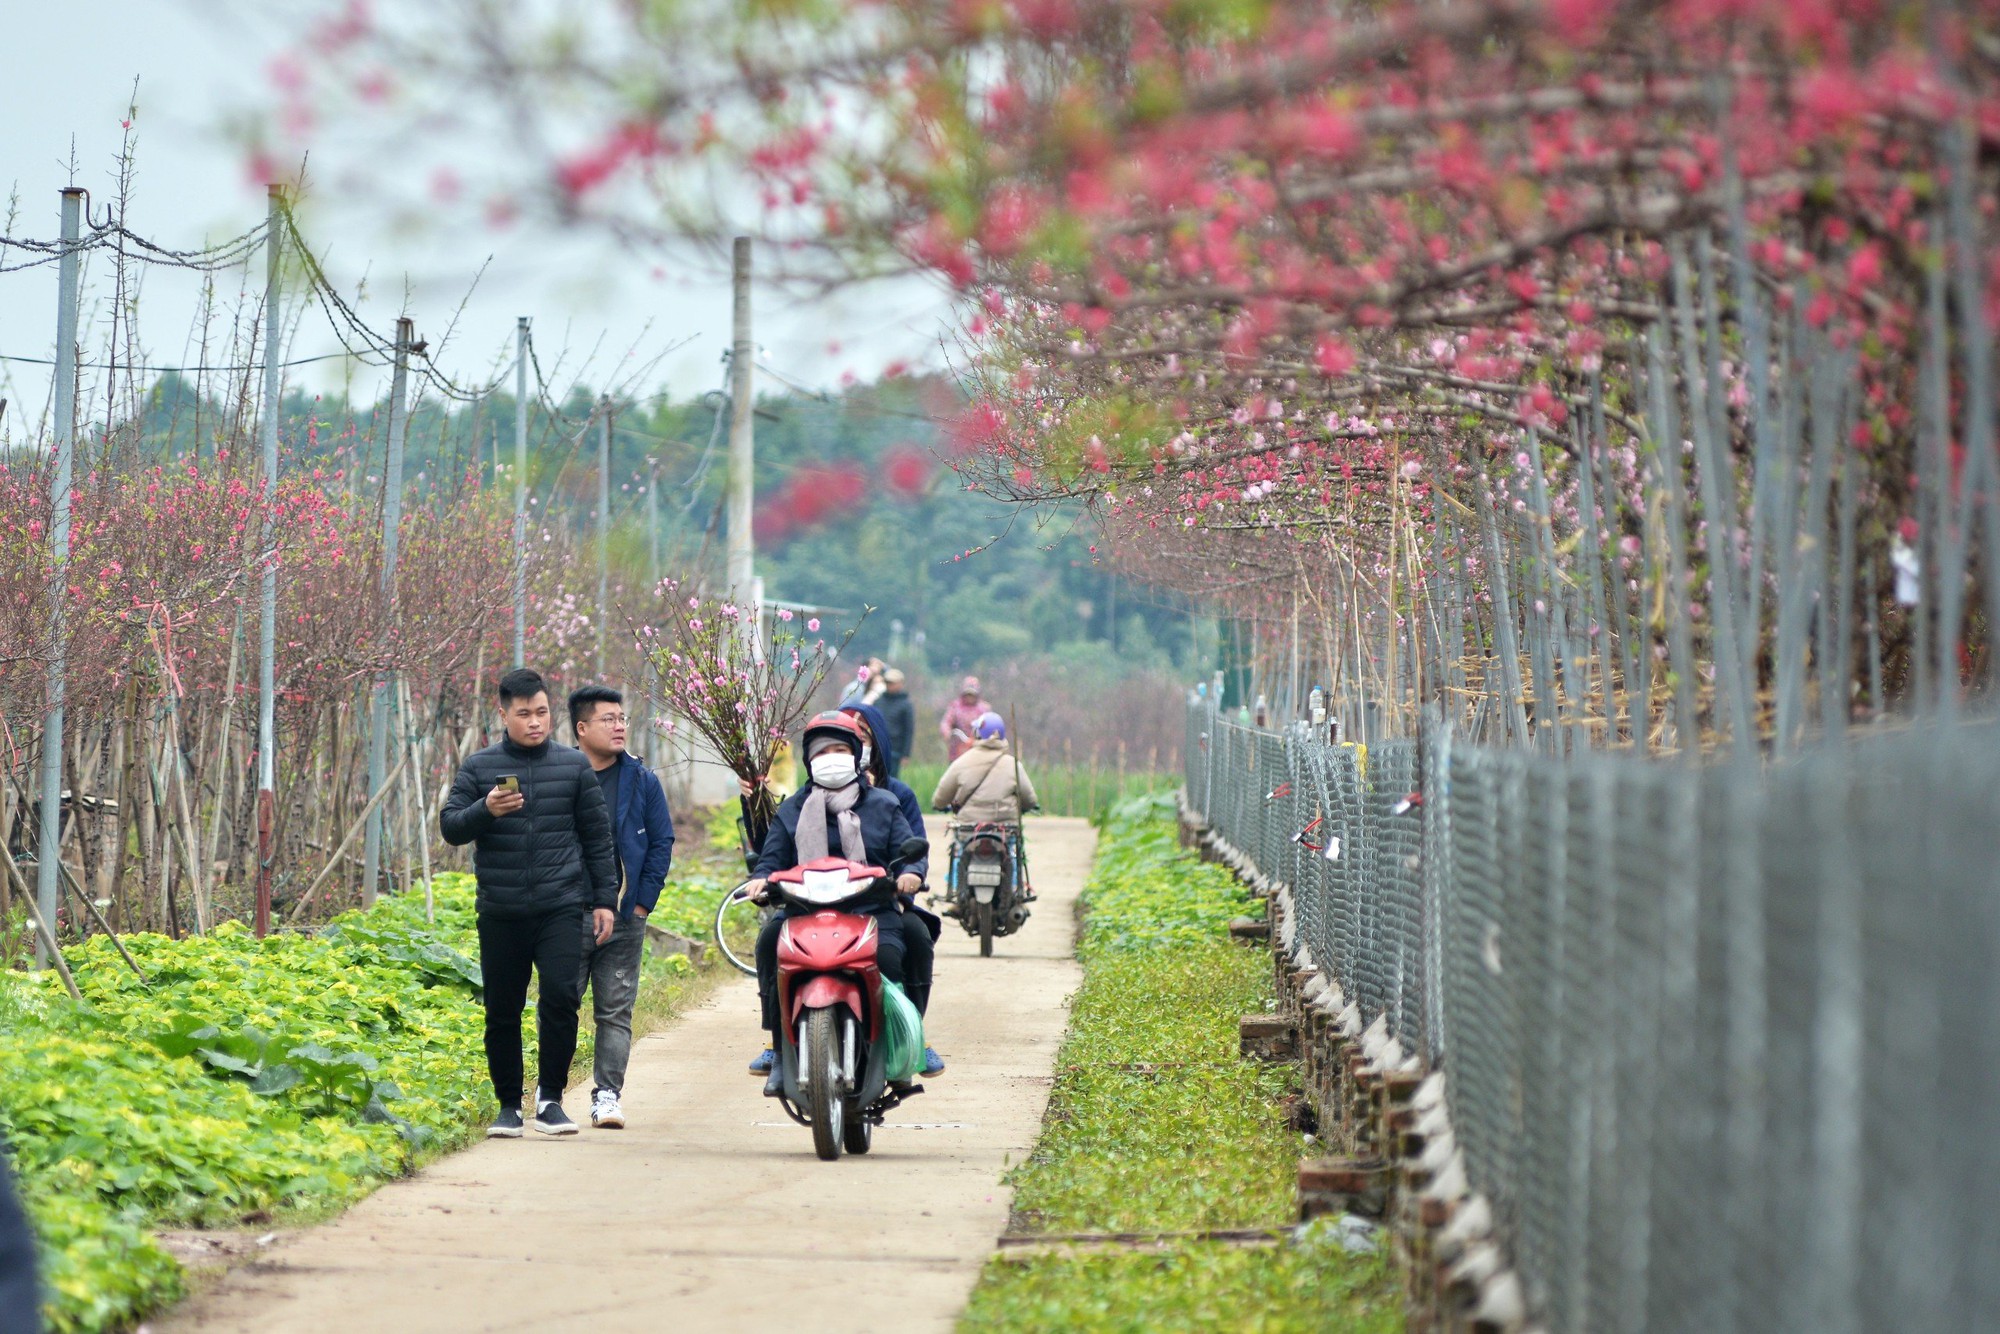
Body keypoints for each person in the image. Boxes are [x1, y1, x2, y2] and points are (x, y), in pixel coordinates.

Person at [441, 667, 618, 1139]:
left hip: (561, 904)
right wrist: (486, 809)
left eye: (541, 712)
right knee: (503, 1008)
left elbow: (597, 838)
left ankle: (551, 1100)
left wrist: (605, 900)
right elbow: (451, 825)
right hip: (500, 909)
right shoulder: (479, 768)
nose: (535, 722)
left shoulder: (573, 765)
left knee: (561, 999)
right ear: (503, 714)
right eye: (524, 714)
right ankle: (508, 1106)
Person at [745, 711, 927, 1098]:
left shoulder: (885, 803)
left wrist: (911, 872)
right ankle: (780, 1049)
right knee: (768, 943)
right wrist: (761, 878)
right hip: (805, 912)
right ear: (809, 759)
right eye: (822, 750)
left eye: (840, 748)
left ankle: (906, 1041)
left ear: (857, 753)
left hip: (872, 912)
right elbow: (771, 857)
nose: (831, 756)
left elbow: (909, 851)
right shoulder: (793, 808)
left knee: (908, 943)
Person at [567, 684, 676, 1130]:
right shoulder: (562, 774)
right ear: (581, 727)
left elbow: (662, 841)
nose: (619, 726)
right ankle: (549, 1093)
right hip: (567, 912)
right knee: (560, 1004)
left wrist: (642, 905)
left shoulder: (641, 780)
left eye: (622, 718)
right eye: (608, 719)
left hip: (625, 915)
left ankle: (607, 1096)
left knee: (615, 1010)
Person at [931, 712, 1040, 906]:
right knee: (1012, 855)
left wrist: (941, 806)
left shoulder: (962, 762)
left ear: (977, 734)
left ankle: (957, 892)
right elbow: (1030, 799)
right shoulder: (1012, 764)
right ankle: (1015, 891)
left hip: (969, 829)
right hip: (1005, 829)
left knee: (959, 852)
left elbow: (940, 798)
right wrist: (1026, 807)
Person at [939, 676, 988, 762]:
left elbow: (989, 724)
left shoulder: (983, 708)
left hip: (977, 746)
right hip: (958, 747)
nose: (970, 697)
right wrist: (947, 732)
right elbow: (946, 722)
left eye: (972, 695)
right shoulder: (955, 707)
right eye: (968, 694)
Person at [877, 668, 916, 776]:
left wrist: (905, 754)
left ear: (900, 684)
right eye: (888, 683)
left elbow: (909, 730)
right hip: (878, 748)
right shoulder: (879, 701)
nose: (889, 686)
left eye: (892, 683)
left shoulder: (905, 705)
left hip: (895, 750)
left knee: (891, 780)